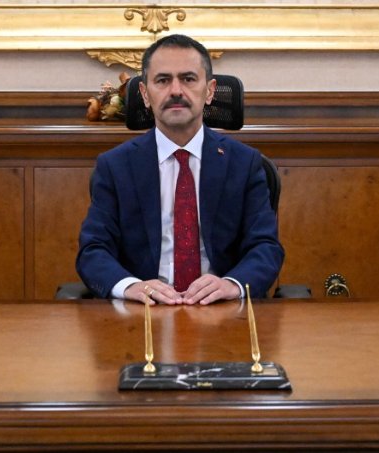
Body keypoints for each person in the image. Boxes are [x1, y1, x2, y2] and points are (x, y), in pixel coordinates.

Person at [76, 34, 284, 305]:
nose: (175, 90)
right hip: (144, 311)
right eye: (163, 80)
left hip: (221, 310)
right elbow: (93, 250)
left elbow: (266, 247)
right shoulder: (115, 167)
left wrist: (231, 284)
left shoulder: (244, 164)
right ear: (145, 94)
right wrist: (130, 287)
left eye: (188, 79)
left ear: (209, 91)